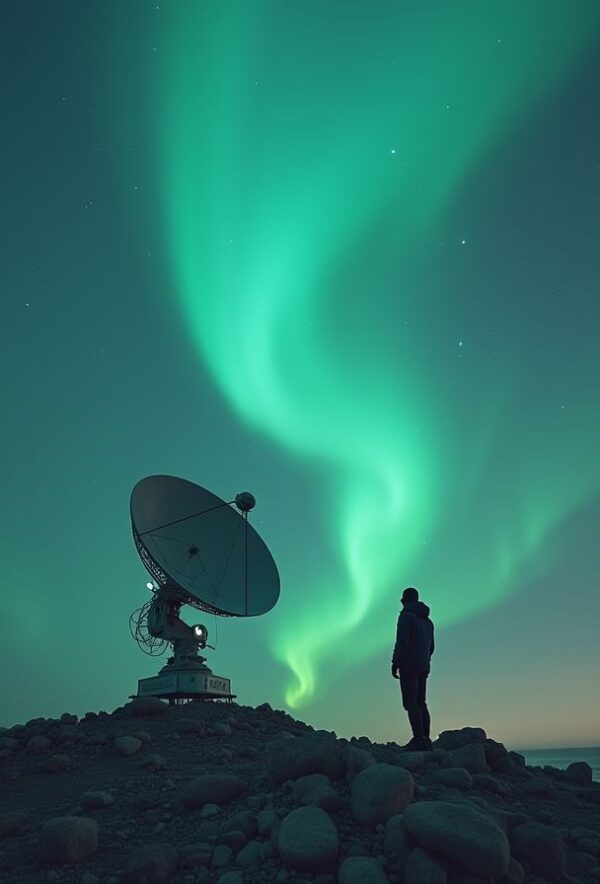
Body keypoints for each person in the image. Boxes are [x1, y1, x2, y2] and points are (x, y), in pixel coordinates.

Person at [391, 586, 434, 750]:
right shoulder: (428, 621)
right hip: (424, 664)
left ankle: (418, 740)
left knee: (410, 702)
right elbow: (431, 646)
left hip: (409, 664)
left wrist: (396, 662)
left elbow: (402, 642)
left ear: (404, 601)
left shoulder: (406, 617)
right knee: (421, 702)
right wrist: (425, 659)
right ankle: (426, 739)